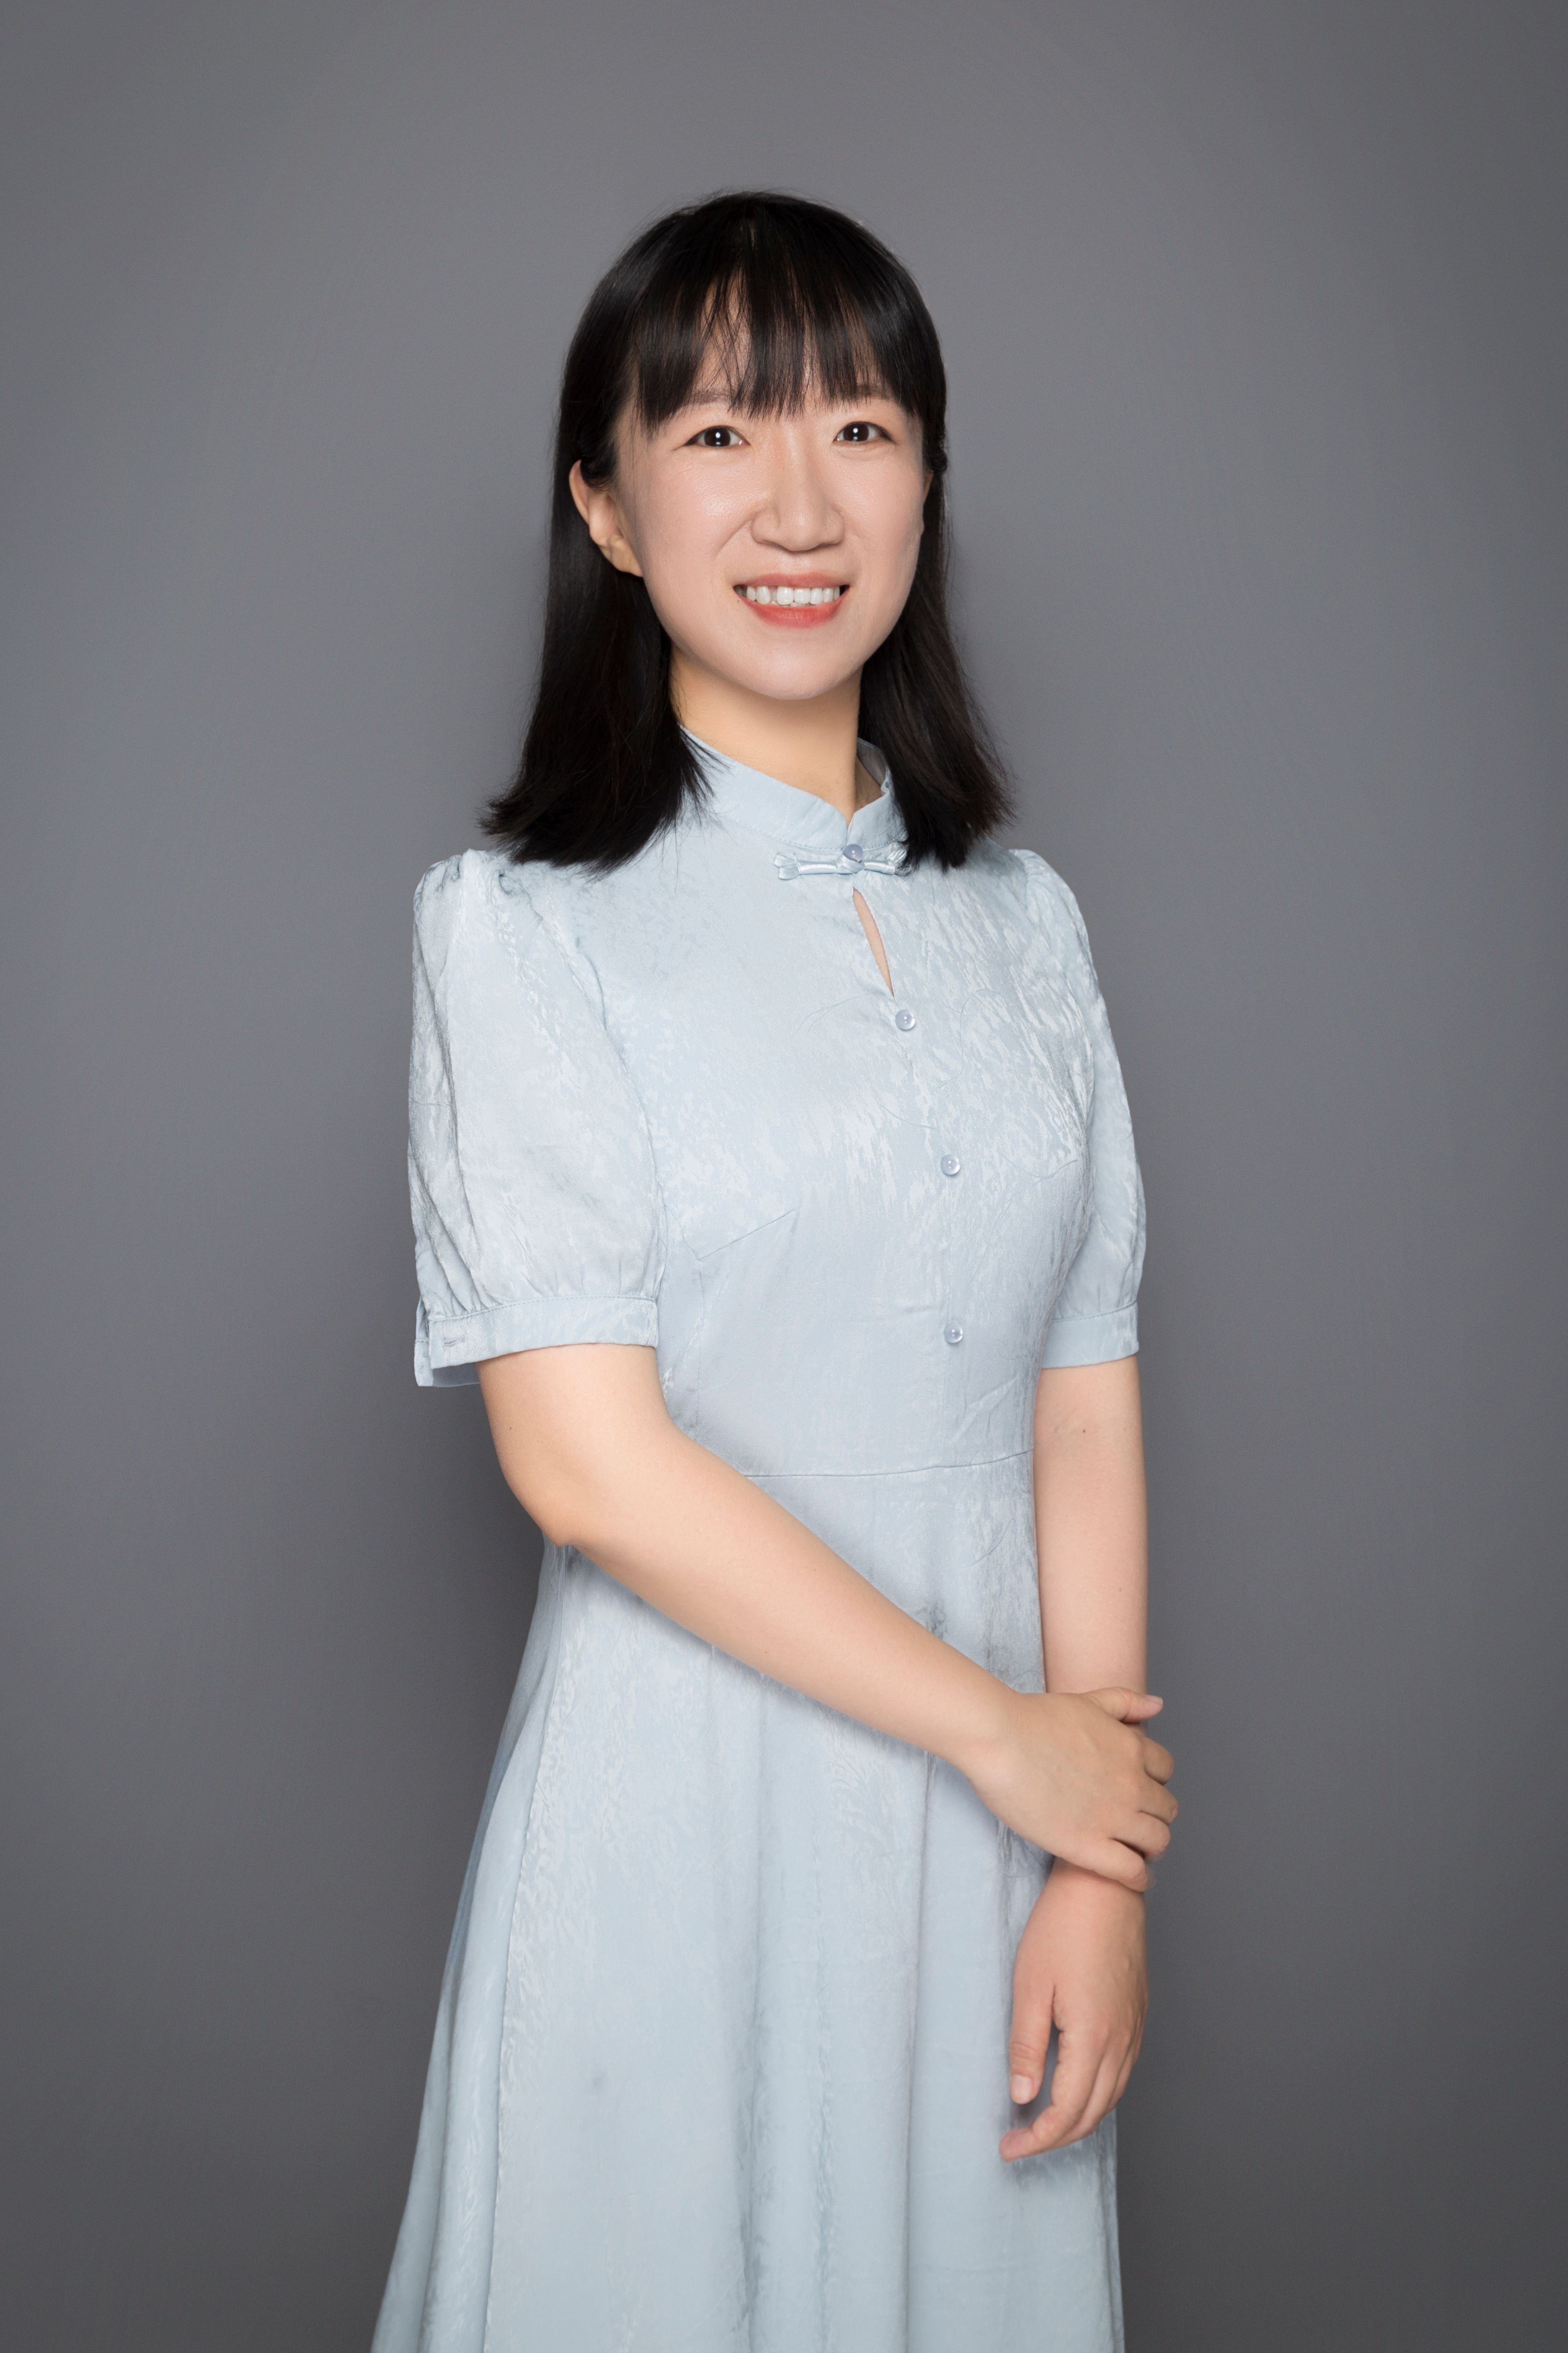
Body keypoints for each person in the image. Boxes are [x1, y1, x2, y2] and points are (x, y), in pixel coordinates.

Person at [373, 190, 1176, 2353]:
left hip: (999, 1847)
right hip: (681, 1822)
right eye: (719, 433)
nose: (800, 503)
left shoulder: (1026, 926)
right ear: (604, 505)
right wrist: (1003, 1742)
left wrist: (1092, 1860)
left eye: (861, 427)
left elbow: (1078, 1401)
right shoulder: (519, 929)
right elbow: (586, 1464)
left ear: (927, 478)